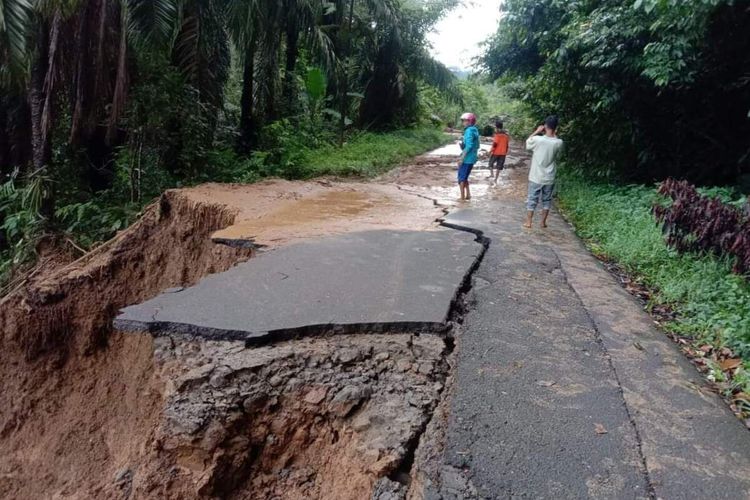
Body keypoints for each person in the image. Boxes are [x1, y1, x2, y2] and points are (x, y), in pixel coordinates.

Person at [524, 115, 563, 228]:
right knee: (546, 200)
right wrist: (554, 133)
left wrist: (537, 131)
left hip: (536, 176)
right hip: (549, 177)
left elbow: (527, 143)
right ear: (556, 128)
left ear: (545, 126)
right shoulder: (559, 142)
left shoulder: (537, 140)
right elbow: (558, 153)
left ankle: (529, 222)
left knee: (532, 198)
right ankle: (542, 222)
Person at [457, 112, 479, 201]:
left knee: (461, 178)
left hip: (467, 158)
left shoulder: (469, 131)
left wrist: (462, 158)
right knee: (465, 177)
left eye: (465, 121)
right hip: (472, 158)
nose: (463, 122)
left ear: (469, 121)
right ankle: (468, 194)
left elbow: (469, 145)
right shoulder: (474, 130)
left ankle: (462, 198)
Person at [488, 120, 510, 184]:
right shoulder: (506, 135)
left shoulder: (497, 135)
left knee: (490, 163)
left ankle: (492, 174)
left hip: (496, 153)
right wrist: (505, 152)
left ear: (496, 127)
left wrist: (490, 151)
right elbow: (507, 145)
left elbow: (495, 144)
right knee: (499, 166)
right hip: (503, 153)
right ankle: (495, 179)